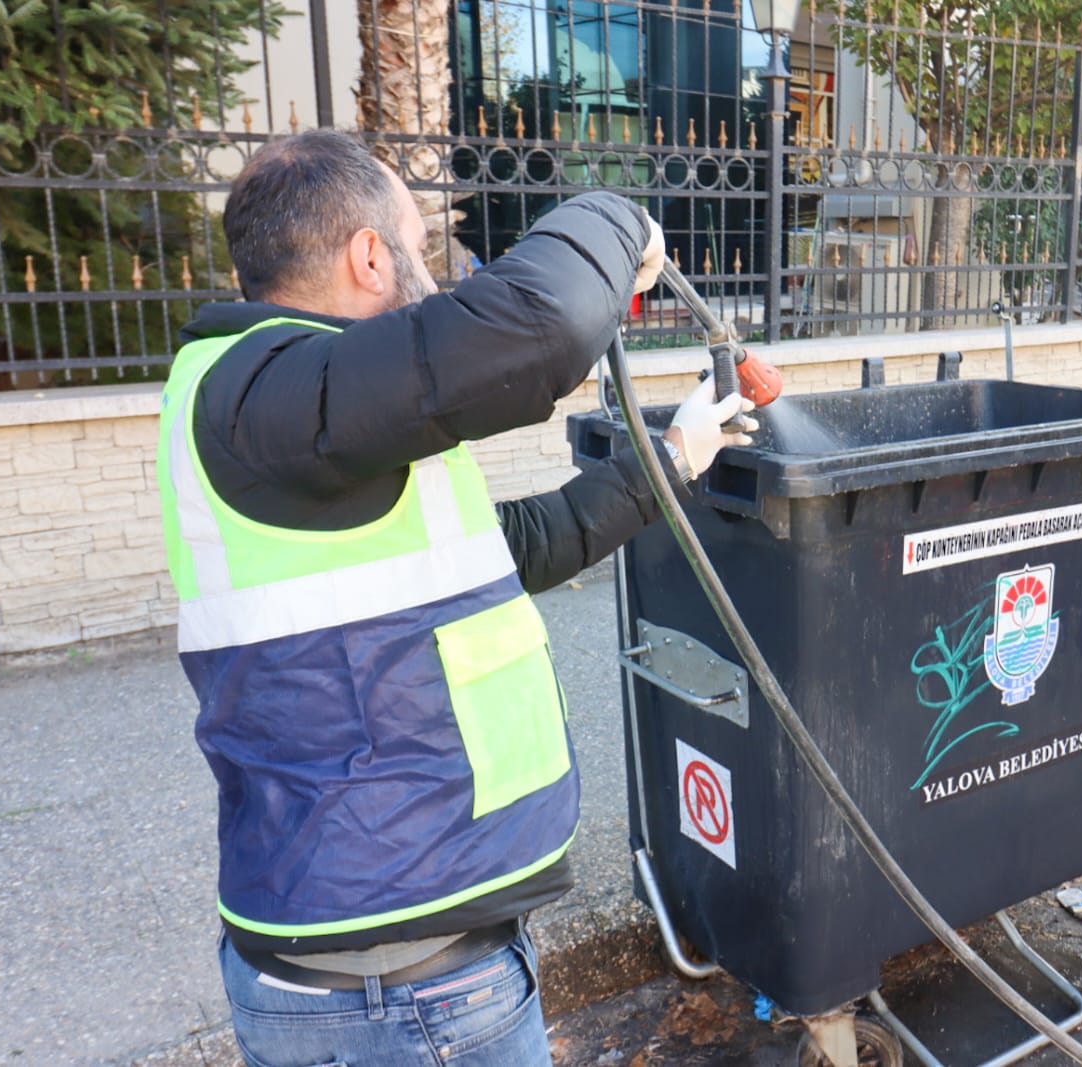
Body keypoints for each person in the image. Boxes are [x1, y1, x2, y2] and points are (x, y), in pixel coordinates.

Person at [155, 129, 755, 1067]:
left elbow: (516, 548)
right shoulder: (267, 394)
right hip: (402, 995)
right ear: (369, 256)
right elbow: (544, 326)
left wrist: (672, 459)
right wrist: (620, 217)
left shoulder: (298, 416)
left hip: (394, 970)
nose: (434, 273)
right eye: (420, 246)